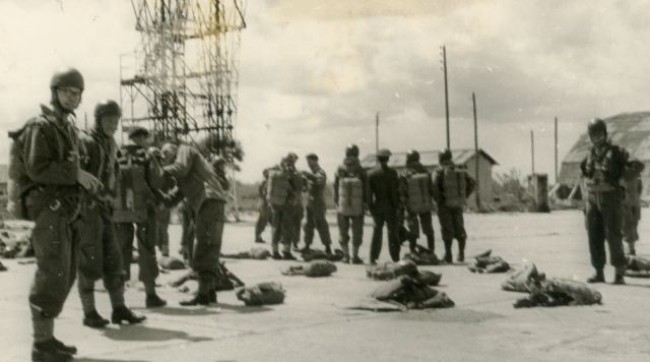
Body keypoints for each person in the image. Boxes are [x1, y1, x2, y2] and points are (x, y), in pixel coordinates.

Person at [19, 67, 102, 361]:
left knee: (64, 274)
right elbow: (36, 167)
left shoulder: (67, 128)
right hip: (49, 210)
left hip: (67, 210)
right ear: (55, 93)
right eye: (68, 92)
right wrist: (75, 174)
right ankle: (40, 345)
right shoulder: (40, 127)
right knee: (51, 272)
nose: (74, 98)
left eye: (78, 94)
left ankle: (48, 338)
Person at [76, 100, 145, 328]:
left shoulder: (111, 143)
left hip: (105, 210)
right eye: (109, 120)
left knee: (114, 260)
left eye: (116, 120)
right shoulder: (85, 142)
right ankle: (89, 313)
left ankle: (119, 308)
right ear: (98, 120)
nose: (113, 125)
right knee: (88, 261)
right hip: (86, 209)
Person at [160, 142, 229, 305]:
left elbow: (180, 168)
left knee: (204, 247)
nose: (163, 158)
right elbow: (172, 199)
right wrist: (156, 194)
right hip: (212, 203)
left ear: (174, 149)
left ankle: (204, 295)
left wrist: (157, 172)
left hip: (209, 201)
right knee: (209, 246)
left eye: (165, 153)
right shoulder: (185, 175)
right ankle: (209, 292)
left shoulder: (185, 151)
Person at [113, 127, 167, 308]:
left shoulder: (117, 153)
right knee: (146, 249)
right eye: (147, 137)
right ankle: (151, 296)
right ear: (142, 138)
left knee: (121, 251)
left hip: (119, 211)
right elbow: (157, 181)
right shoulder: (146, 155)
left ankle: (119, 300)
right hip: (143, 209)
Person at [580, 118, 628, 284]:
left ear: (605, 134)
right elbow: (584, 174)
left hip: (610, 198)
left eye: (599, 133)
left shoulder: (616, 152)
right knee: (594, 235)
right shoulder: (588, 154)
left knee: (613, 234)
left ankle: (619, 272)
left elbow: (631, 168)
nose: (596, 137)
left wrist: (620, 185)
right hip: (592, 198)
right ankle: (598, 272)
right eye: (593, 134)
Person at [433, 149, 475, 263]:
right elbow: (472, 182)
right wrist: (463, 195)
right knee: (459, 228)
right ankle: (461, 254)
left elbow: (434, 186)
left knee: (447, 229)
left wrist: (439, 199)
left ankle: (448, 255)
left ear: (440, 158)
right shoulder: (459, 170)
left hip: (444, 205)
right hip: (457, 204)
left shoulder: (439, 171)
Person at [334, 144, 368, 264]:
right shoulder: (361, 170)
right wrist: (366, 203)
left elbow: (336, 187)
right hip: (358, 206)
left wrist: (336, 202)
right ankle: (355, 256)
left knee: (343, 231)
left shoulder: (340, 169)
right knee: (357, 231)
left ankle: (345, 256)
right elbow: (366, 189)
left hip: (342, 206)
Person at [400, 150, 436, 255]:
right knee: (429, 229)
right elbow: (432, 188)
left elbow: (401, 191)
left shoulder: (404, 172)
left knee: (413, 229)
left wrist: (404, 202)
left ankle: (412, 251)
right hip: (425, 204)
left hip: (411, 205)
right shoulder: (425, 171)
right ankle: (431, 251)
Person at [368, 149, 401, 264]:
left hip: (378, 206)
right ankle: (395, 257)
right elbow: (394, 193)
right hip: (390, 207)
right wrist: (396, 207)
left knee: (377, 232)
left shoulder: (371, 174)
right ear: (388, 159)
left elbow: (369, 194)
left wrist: (371, 207)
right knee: (392, 233)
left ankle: (373, 257)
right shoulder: (392, 173)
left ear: (377, 159)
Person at [267, 154, 301, 260]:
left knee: (275, 227)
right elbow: (297, 187)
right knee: (287, 227)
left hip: (275, 203)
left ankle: (275, 252)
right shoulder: (290, 171)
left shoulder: (273, 171)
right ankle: (286, 252)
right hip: (287, 203)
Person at [301, 153, 333, 253]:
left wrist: (309, 176)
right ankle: (307, 245)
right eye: (307, 162)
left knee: (321, 224)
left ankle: (327, 247)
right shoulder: (311, 173)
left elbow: (319, 181)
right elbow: (306, 188)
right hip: (310, 202)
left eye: (310, 161)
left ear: (315, 161)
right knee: (308, 225)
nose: (308, 164)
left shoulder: (321, 172)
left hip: (318, 203)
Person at [621, 160, 644, 255]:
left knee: (633, 226)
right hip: (626, 204)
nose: (635, 169)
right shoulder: (624, 177)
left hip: (635, 204)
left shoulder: (638, 177)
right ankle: (629, 249)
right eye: (633, 166)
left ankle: (631, 249)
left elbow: (639, 189)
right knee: (628, 227)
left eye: (637, 167)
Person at [254, 169, 273, 243]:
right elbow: (263, 193)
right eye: (267, 173)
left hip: (264, 203)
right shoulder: (265, 182)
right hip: (264, 204)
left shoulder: (265, 182)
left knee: (267, 220)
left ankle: (258, 236)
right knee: (262, 220)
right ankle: (258, 236)